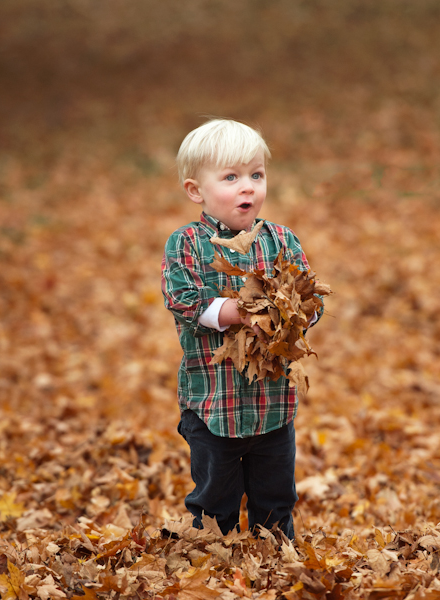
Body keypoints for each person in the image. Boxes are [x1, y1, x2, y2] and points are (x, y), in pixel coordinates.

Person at [161, 119, 322, 540]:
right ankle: (213, 557)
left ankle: (275, 554)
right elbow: (184, 300)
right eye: (231, 177)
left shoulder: (282, 241)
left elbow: (309, 296)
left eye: (256, 175)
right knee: (217, 500)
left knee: (276, 497)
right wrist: (239, 311)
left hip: (273, 401)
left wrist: (295, 315)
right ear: (197, 191)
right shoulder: (188, 244)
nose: (247, 186)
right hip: (214, 402)